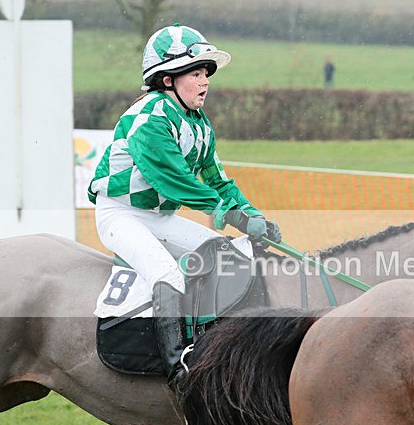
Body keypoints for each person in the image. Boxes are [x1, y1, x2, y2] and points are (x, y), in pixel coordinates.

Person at [87, 24, 281, 394]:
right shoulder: (150, 118)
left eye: (206, 74)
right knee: (168, 274)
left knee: (228, 255)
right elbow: (173, 180)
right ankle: (179, 367)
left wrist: (253, 215)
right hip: (120, 216)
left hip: (161, 218)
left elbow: (218, 180)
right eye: (195, 73)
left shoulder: (199, 124)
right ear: (166, 79)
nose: (204, 82)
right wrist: (234, 216)